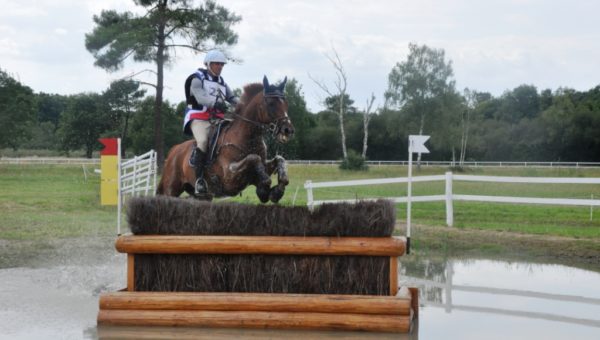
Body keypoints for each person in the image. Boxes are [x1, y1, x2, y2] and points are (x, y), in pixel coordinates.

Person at [183, 49, 239, 196]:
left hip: (217, 119)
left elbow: (232, 98)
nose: (220, 67)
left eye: (222, 65)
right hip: (199, 117)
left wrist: (245, 106)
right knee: (202, 142)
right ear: (208, 64)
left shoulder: (222, 82)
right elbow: (201, 97)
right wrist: (215, 102)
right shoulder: (197, 78)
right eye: (216, 64)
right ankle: (199, 179)